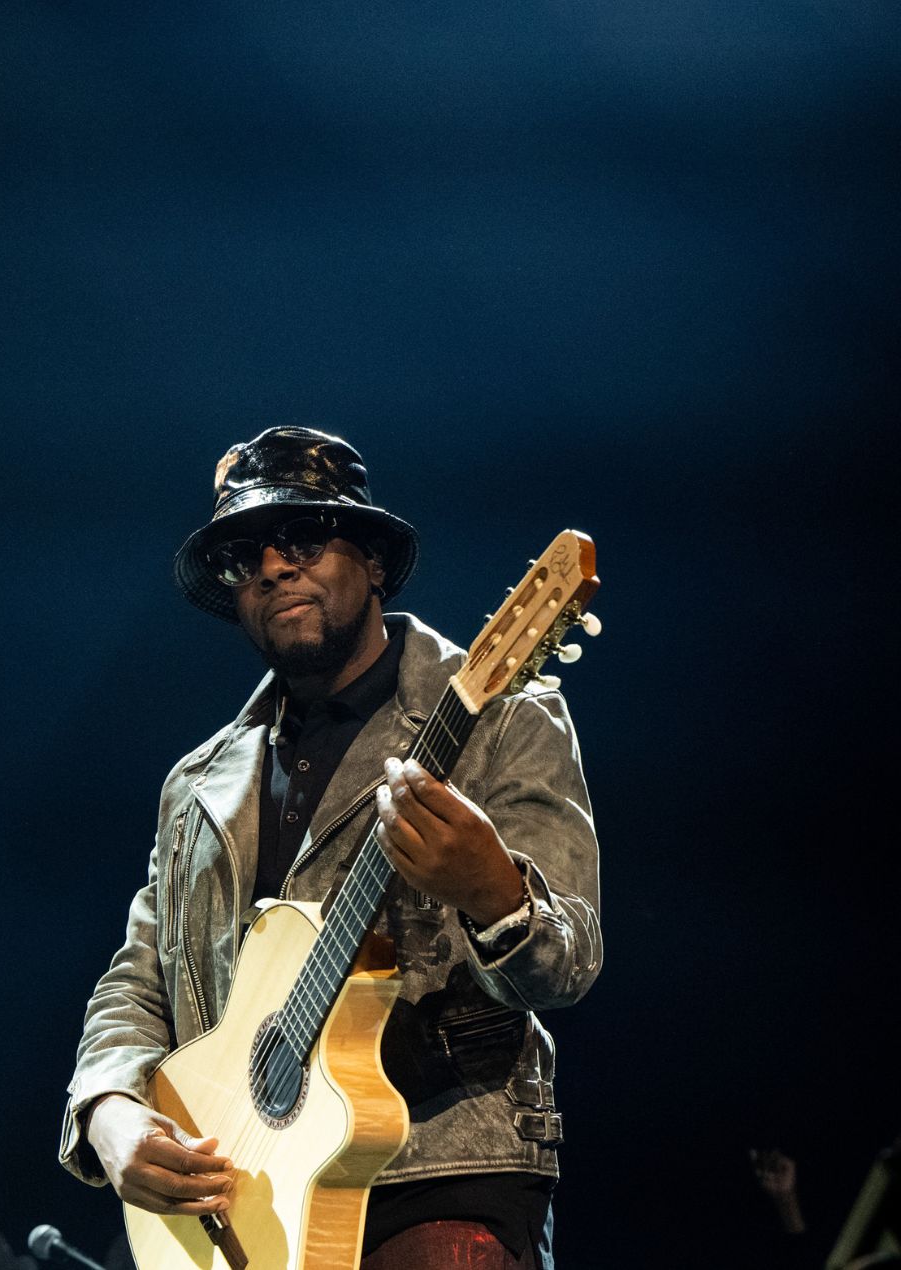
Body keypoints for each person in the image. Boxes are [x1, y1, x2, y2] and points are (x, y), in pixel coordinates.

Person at [58, 426, 603, 1269]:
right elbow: (139, 979)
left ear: (375, 561)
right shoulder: (195, 785)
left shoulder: (501, 719)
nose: (275, 566)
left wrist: (495, 896)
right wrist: (110, 1112)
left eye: (304, 537)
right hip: (240, 1194)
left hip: (439, 1177)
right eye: (246, 555)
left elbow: (569, 964)